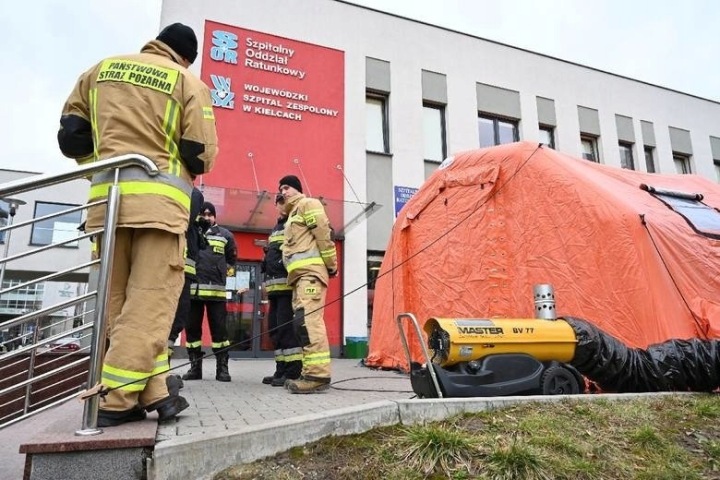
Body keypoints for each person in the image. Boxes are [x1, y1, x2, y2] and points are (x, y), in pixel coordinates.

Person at [57, 23, 218, 426]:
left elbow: (71, 138)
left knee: (119, 305)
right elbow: (201, 154)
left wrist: (102, 166)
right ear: (186, 57)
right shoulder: (187, 82)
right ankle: (116, 400)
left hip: (107, 207)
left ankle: (157, 391)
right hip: (159, 210)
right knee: (150, 306)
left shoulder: (99, 71)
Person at [277, 175, 338, 394]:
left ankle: (318, 376)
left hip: (310, 274)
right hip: (299, 278)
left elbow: (323, 235)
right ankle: (310, 372)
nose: (283, 192)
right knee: (301, 324)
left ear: (297, 189)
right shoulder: (291, 215)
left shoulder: (308, 204)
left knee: (308, 322)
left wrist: (331, 265)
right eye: (280, 189)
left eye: (286, 187)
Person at [182, 201, 237, 382]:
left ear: (214, 216)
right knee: (192, 332)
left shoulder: (226, 235)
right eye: (203, 214)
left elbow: (231, 260)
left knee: (220, 332)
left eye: (209, 214)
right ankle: (195, 368)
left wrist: (219, 273)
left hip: (216, 293)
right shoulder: (190, 232)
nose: (206, 217)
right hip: (193, 291)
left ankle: (222, 369)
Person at [166, 187, 208, 395]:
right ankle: (159, 373)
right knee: (174, 319)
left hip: (181, 271)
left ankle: (160, 370)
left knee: (173, 321)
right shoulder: (192, 193)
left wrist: (199, 230)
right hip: (177, 270)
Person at [261, 193, 302, 386]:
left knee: (287, 330)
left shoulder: (294, 223)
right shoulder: (276, 227)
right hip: (274, 289)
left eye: (283, 202)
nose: (280, 206)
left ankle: (293, 371)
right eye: (278, 203)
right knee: (275, 331)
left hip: (287, 287)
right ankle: (281, 369)